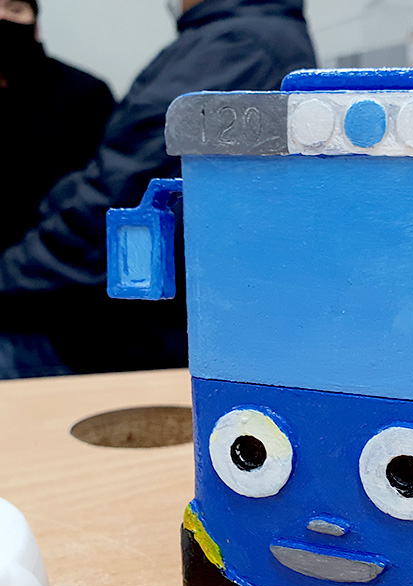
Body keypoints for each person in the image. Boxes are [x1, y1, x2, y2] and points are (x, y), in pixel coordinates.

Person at [0, 0, 316, 379]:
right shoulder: (233, 38)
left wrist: (9, 274)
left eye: (14, 8)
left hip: (114, 324)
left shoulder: (237, 46)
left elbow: (125, 193)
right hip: (111, 304)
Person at [0, 0, 115, 255]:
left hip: (57, 258)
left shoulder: (87, 94)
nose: (2, 17)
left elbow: (106, 189)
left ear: (36, 27)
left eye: (15, 9)